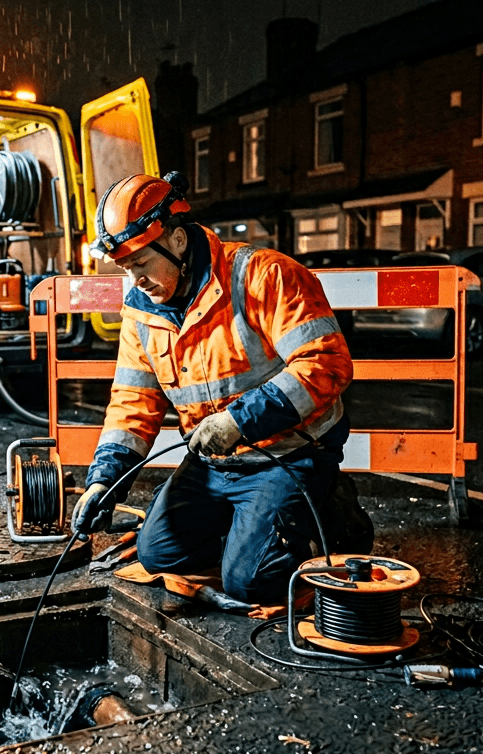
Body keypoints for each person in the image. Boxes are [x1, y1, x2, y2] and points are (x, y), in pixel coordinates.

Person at [72, 172, 360, 606]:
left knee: (252, 583)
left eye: (141, 265)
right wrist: (104, 482)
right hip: (213, 461)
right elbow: (134, 401)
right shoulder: (142, 311)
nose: (136, 281)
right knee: (157, 554)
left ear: (176, 241)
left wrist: (238, 421)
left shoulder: (264, 275)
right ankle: (250, 528)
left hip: (289, 453)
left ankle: (328, 510)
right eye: (127, 270)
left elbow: (325, 363)